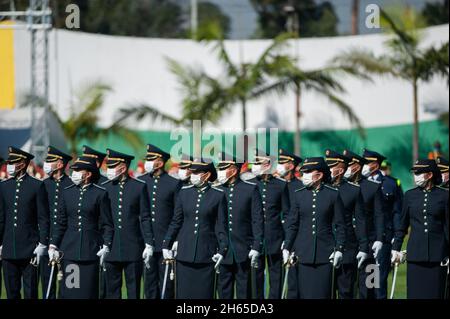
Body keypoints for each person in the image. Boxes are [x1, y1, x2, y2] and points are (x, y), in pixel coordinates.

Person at [161, 158, 228, 299]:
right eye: (192, 172)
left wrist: (222, 250)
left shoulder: (218, 195)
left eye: (197, 172)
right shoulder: (184, 193)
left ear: (207, 175)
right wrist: (166, 244)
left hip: (206, 254)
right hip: (184, 253)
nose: (193, 175)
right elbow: (176, 221)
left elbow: (221, 226)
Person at [48, 156, 114, 299]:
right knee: (70, 291)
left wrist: (106, 245)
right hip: (69, 251)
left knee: (87, 293)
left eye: (78, 170)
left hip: (90, 251)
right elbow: (60, 222)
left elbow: (107, 224)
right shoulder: (67, 192)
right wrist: (53, 245)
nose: (74, 173)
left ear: (88, 174)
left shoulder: (100, 193)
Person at [283, 157, 346, 299]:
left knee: (323, 294)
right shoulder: (299, 195)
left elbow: (340, 225)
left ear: (320, 175)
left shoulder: (333, 194)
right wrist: (287, 247)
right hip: (303, 254)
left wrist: (339, 249)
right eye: (304, 172)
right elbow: (293, 224)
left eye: (308, 172)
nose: (304, 175)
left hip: (326, 254)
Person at [101, 149, 154, 299]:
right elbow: (101, 219)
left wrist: (149, 243)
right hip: (110, 247)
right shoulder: (105, 187)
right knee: (112, 291)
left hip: (133, 248)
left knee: (134, 290)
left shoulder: (139, 186)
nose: (108, 169)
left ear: (123, 168)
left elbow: (145, 217)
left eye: (112, 166)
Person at [392, 159, 448, 299]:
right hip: (415, 256)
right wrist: (396, 248)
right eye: (414, 173)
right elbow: (402, 225)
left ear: (429, 175)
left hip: (438, 257)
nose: (415, 176)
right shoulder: (410, 195)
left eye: (418, 173)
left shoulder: (445, 196)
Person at [0, 147, 50, 299]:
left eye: (12, 162)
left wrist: (42, 244)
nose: (9, 165)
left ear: (22, 164)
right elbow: (1, 217)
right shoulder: (3, 186)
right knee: (11, 292)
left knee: (31, 292)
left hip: (30, 249)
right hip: (9, 248)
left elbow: (43, 218)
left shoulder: (36, 185)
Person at [215, 152, 264, 299]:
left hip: (244, 250)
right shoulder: (217, 190)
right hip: (221, 252)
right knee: (223, 293)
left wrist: (256, 246)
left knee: (245, 293)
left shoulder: (250, 189)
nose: (220, 171)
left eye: (224, 167)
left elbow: (257, 220)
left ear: (234, 170)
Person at [139, 144, 182, 299]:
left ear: (161, 162)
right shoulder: (141, 181)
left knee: (166, 286)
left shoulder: (173, 183)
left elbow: (177, 215)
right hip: (145, 243)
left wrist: (173, 240)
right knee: (149, 286)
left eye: (152, 159)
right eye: (148, 159)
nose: (148, 162)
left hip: (166, 242)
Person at [325, 150, 367, 299]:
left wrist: (363, 247)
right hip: (326, 246)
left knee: (346, 291)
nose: (328, 169)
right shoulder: (323, 188)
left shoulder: (353, 190)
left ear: (341, 170)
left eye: (331, 166)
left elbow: (360, 220)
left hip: (348, 248)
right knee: (326, 291)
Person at [248, 149, 290, 299]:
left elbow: (286, 213)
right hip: (255, 238)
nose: (255, 166)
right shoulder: (251, 184)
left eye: (258, 163)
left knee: (276, 276)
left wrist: (286, 240)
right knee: (256, 278)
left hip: (275, 237)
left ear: (267, 164)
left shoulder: (280, 185)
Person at [342, 150, 384, 299]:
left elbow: (379, 215)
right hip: (348, 242)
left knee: (370, 287)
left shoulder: (373, 187)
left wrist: (379, 239)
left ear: (357, 167)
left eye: (349, 164)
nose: (345, 167)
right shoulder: (341, 186)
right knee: (346, 288)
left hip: (370, 242)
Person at [361, 149, 403, 299]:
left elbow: (397, 213)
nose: (363, 165)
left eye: (367, 163)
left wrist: (397, 241)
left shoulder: (390, 184)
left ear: (376, 165)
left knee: (377, 283)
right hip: (363, 239)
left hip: (382, 239)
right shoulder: (359, 183)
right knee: (363, 285)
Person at [41, 146, 73, 299]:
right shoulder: (43, 185)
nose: (46, 164)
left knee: (69, 284)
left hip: (67, 242)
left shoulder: (72, 185)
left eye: (50, 161)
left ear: (60, 164)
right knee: (48, 285)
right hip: (47, 241)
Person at [277, 148, 302, 299]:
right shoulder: (275, 185)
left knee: (293, 280)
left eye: (282, 162)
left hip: (295, 237)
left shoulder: (299, 186)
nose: (278, 165)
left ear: (291, 166)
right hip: (275, 237)